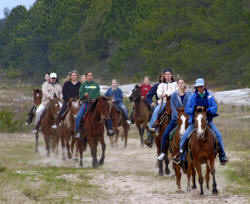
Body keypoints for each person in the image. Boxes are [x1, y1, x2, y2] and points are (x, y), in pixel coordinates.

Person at [173, 78, 229, 165]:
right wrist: (195, 109)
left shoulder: (209, 96)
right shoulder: (192, 97)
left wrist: (206, 109)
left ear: (204, 86)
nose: (200, 88)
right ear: (196, 87)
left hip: (207, 121)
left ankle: (222, 155)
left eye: (201, 86)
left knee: (218, 134)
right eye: (198, 86)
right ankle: (181, 155)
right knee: (184, 136)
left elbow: (215, 108)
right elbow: (187, 109)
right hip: (194, 122)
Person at [157, 78, 191, 161]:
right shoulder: (174, 96)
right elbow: (173, 107)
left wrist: (186, 115)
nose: (181, 84)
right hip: (176, 118)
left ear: (184, 84)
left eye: (182, 83)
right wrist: (178, 117)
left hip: (187, 118)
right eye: (179, 83)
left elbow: (190, 106)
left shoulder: (189, 95)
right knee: (165, 134)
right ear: (177, 85)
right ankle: (163, 152)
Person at [144, 69, 178, 147]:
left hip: (173, 103)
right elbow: (159, 93)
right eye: (166, 74)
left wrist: (167, 94)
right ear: (163, 76)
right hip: (164, 102)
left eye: (169, 74)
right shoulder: (160, 85)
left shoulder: (175, 84)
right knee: (156, 111)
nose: (167, 76)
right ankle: (150, 133)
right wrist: (154, 100)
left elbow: (176, 92)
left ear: (171, 75)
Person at [75, 72, 114, 139]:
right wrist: (84, 95)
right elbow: (80, 95)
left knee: (105, 113)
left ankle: (109, 129)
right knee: (78, 116)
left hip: (95, 103)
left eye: (91, 75)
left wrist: (95, 98)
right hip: (86, 103)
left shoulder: (95, 85)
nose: (90, 77)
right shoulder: (83, 85)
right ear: (86, 77)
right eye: (88, 76)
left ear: (92, 77)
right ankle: (78, 132)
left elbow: (98, 93)